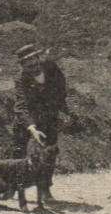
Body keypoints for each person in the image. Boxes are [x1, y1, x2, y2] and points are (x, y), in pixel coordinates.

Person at [12, 44, 72, 204]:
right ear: (23, 65)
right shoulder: (21, 79)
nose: (33, 66)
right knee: (18, 151)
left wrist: (61, 110)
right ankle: (12, 187)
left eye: (34, 61)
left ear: (39, 58)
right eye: (28, 64)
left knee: (49, 152)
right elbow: (21, 106)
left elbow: (61, 90)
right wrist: (31, 128)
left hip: (49, 117)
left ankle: (45, 189)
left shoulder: (52, 68)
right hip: (28, 119)